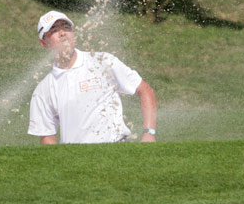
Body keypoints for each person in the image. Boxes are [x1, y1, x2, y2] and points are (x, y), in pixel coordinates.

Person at [28, 10, 157, 144]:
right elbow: (47, 139)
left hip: (118, 149)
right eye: (54, 30)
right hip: (78, 159)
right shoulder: (43, 90)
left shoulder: (102, 61)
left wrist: (149, 134)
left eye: (66, 27)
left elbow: (144, 90)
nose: (62, 33)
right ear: (43, 43)